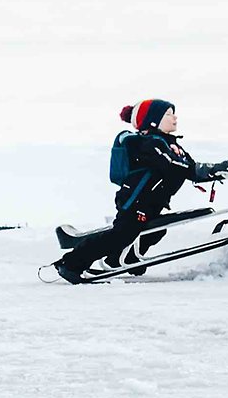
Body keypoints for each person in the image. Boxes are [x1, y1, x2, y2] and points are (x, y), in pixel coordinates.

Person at [53, 97, 217, 281]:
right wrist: (208, 169)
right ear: (153, 120)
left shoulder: (171, 144)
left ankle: (119, 261)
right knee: (120, 235)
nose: (175, 118)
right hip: (136, 200)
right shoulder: (148, 143)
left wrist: (223, 170)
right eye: (169, 114)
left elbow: (193, 170)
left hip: (153, 202)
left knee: (156, 229)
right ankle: (70, 264)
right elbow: (171, 165)